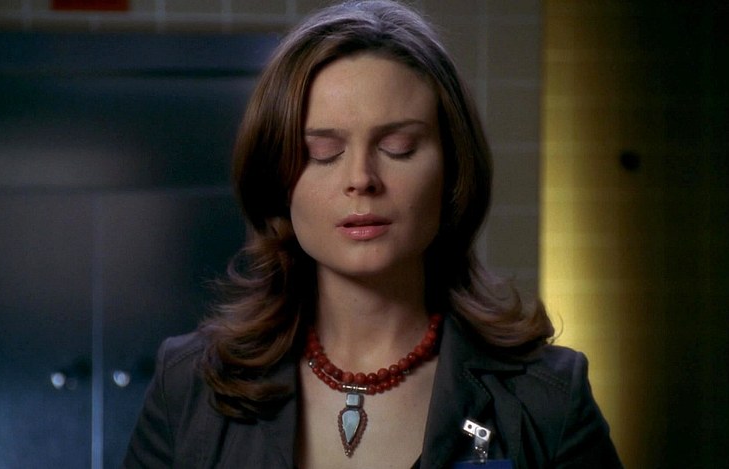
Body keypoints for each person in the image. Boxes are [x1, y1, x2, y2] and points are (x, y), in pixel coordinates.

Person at [122, 1, 622, 468]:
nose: (361, 178)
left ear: (452, 168)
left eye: (398, 146)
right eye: (323, 152)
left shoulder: (547, 399)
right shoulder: (187, 387)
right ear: (277, 178)